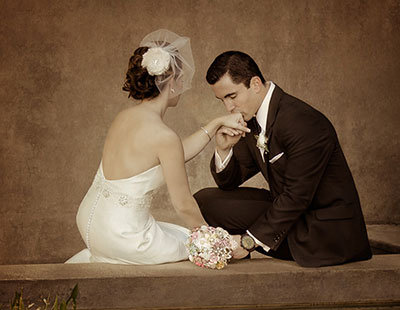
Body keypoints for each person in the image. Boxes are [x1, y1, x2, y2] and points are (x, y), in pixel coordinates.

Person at [66, 31, 249, 265]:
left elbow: (169, 155)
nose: (184, 84)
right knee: (191, 242)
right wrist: (212, 239)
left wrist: (216, 124)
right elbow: (183, 204)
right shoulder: (164, 136)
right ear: (170, 83)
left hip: (90, 221)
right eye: (181, 78)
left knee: (179, 235)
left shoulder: (125, 117)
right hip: (123, 236)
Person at [194, 51, 372, 267]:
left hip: (322, 230)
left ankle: (245, 246)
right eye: (222, 100)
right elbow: (228, 183)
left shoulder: (303, 122)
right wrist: (222, 149)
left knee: (222, 211)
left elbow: (297, 197)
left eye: (232, 96)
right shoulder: (253, 118)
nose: (228, 107)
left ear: (256, 84)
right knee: (204, 202)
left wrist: (248, 241)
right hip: (290, 209)